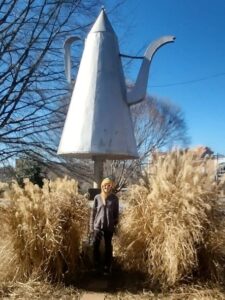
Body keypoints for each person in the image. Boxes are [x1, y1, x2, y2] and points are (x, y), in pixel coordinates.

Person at [90, 177, 119, 275]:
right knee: (95, 246)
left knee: (108, 247)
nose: (107, 187)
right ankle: (96, 266)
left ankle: (107, 266)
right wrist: (91, 227)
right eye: (105, 185)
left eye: (109, 185)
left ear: (111, 186)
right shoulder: (97, 197)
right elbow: (93, 213)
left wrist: (115, 225)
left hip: (109, 227)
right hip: (97, 226)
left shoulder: (114, 198)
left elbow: (116, 214)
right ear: (102, 186)